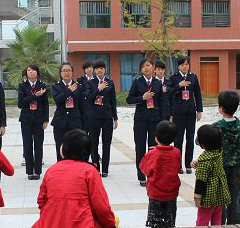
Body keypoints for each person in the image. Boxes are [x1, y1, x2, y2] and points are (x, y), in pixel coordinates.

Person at [30, 129, 122, 228]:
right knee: (115, 218)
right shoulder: (90, 171)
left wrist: (51, 218)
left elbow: (42, 201)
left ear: (64, 149)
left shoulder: (52, 169)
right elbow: (101, 206)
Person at [127, 57, 169, 186]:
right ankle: (141, 176)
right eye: (144, 66)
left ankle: (152, 174)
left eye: (149, 65)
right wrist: (142, 98)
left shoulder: (157, 83)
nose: (146, 68)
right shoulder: (137, 82)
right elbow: (129, 99)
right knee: (140, 148)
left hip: (154, 120)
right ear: (141, 69)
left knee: (153, 148)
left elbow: (162, 103)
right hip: (140, 120)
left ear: (153, 67)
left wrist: (163, 121)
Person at [212, 91, 240, 225]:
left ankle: (219, 222)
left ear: (220, 108)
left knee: (220, 195)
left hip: (220, 167)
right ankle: (235, 222)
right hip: (237, 167)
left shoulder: (217, 126)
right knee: (235, 195)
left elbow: (200, 140)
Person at [139, 121, 181, 228]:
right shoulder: (176, 152)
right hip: (171, 193)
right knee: (169, 222)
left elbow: (144, 169)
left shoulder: (152, 154)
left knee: (155, 224)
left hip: (155, 193)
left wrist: (150, 154)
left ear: (156, 138)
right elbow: (177, 168)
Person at [169, 56, 203, 174]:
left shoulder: (193, 77)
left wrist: (199, 110)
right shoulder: (174, 77)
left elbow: (197, 94)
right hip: (178, 112)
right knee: (178, 139)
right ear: (178, 66)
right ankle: (178, 165)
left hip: (190, 112)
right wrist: (179, 85)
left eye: (187, 64)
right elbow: (169, 92)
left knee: (190, 137)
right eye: (182, 64)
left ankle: (188, 164)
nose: (185, 66)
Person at [85, 59, 118, 177]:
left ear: (105, 70)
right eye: (97, 68)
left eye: (102, 68)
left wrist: (115, 117)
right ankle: (96, 168)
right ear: (94, 70)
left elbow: (113, 101)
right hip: (93, 117)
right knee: (93, 143)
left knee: (106, 143)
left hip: (107, 117)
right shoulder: (90, 83)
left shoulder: (110, 82)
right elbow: (88, 98)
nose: (100, 70)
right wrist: (98, 88)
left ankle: (105, 169)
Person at [193, 124, 231, 226]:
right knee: (217, 220)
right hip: (219, 193)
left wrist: (197, 198)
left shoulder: (205, 161)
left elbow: (201, 181)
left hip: (208, 196)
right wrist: (198, 163)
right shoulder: (218, 153)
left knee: (203, 220)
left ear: (202, 143)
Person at [18, 64, 49, 180]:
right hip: (26, 119)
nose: (30, 72)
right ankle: (29, 171)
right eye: (28, 70)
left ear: (37, 73)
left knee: (38, 145)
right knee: (27, 145)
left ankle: (38, 171)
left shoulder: (42, 85)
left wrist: (46, 119)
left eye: (33, 70)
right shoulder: (22, 86)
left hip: (39, 119)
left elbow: (46, 104)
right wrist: (34, 96)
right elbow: (20, 103)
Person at [51, 62, 83, 161]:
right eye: (64, 71)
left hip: (75, 121)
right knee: (60, 148)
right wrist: (69, 90)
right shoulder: (56, 86)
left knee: (76, 148)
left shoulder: (79, 86)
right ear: (60, 73)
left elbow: (82, 105)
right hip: (60, 122)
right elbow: (58, 99)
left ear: (72, 72)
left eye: (69, 70)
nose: (66, 73)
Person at [77, 60, 94, 135]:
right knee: (83, 134)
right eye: (87, 68)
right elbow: (80, 93)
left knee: (94, 135)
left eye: (90, 67)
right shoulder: (80, 80)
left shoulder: (97, 80)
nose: (89, 69)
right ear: (84, 70)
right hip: (84, 110)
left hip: (94, 109)